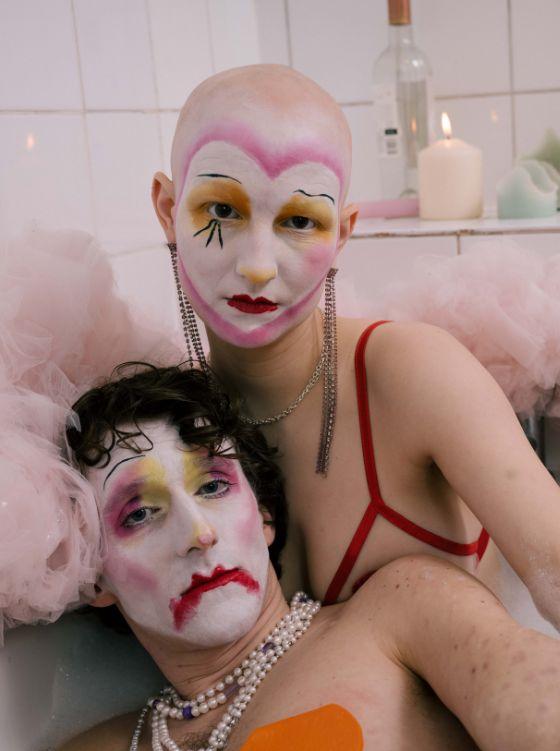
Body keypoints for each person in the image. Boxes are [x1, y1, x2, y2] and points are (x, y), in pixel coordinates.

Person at [151, 63, 560, 626]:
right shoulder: (160, 428)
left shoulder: (414, 374)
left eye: (299, 220)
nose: (257, 266)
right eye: (222, 210)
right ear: (169, 210)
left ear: (342, 233)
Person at [44, 364, 560, 751]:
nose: (198, 533)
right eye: (140, 515)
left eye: (214, 485)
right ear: (91, 576)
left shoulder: (396, 614)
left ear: (263, 514)